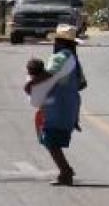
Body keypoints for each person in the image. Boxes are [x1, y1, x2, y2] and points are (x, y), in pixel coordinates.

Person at [34, 25, 86, 186]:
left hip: (57, 106)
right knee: (52, 139)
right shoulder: (73, 59)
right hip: (70, 105)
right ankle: (65, 171)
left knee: (50, 139)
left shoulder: (60, 57)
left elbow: (48, 75)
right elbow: (82, 84)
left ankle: (65, 171)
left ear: (59, 42)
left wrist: (33, 78)